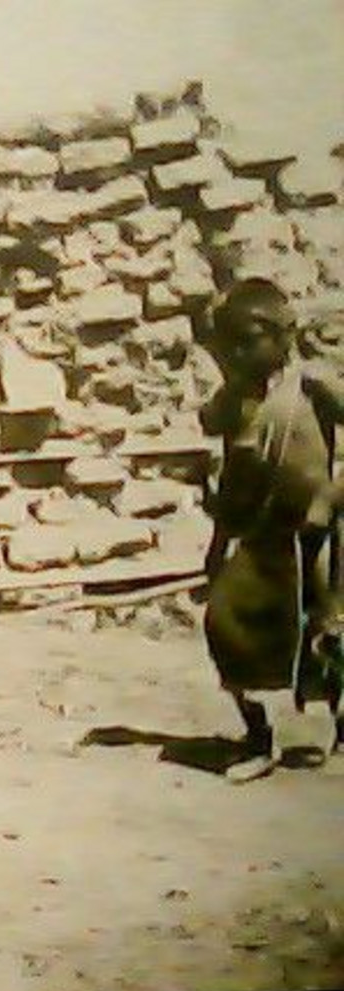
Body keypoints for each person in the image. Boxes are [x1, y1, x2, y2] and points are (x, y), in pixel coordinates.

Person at [199, 281, 344, 782]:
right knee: (228, 625)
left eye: (249, 341)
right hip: (260, 534)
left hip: (319, 532)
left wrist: (329, 499)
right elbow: (231, 470)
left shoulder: (313, 386)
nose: (238, 354)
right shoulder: (234, 398)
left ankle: (336, 724)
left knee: (330, 631)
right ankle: (257, 738)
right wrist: (219, 539)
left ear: (285, 337)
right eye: (229, 344)